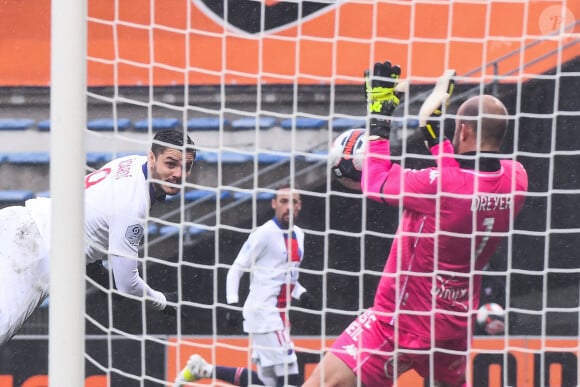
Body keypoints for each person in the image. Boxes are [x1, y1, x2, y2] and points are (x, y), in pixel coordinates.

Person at [303, 62, 528, 386]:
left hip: (399, 321)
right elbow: (467, 179)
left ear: (462, 131)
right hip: (454, 327)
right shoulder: (516, 179)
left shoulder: (440, 185)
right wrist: (437, 142)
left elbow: (376, 181)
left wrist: (380, 119)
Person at [0, 128, 196, 345]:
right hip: (33, 253)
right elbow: (127, 284)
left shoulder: (131, 162)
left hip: (18, 219)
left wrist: (98, 271)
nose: (179, 173)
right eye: (171, 164)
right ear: (152, 157)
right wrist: (162, 301)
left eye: (186, 167)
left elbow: (89, 222)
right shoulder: (133, 204)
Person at [174, 184, 315, 387]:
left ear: (299, 205)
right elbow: (236, 269)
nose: (288, 207)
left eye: (293, 201)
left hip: (280, 315)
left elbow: (287, 277)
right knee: (291, 372)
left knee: (267, 382)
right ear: (274, 204)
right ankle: (203, 369)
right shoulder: (264, 234)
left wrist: (302, 294)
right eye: (283, 201)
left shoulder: (299, 235)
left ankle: (203, 369)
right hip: (263, 314)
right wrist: (233, 304)